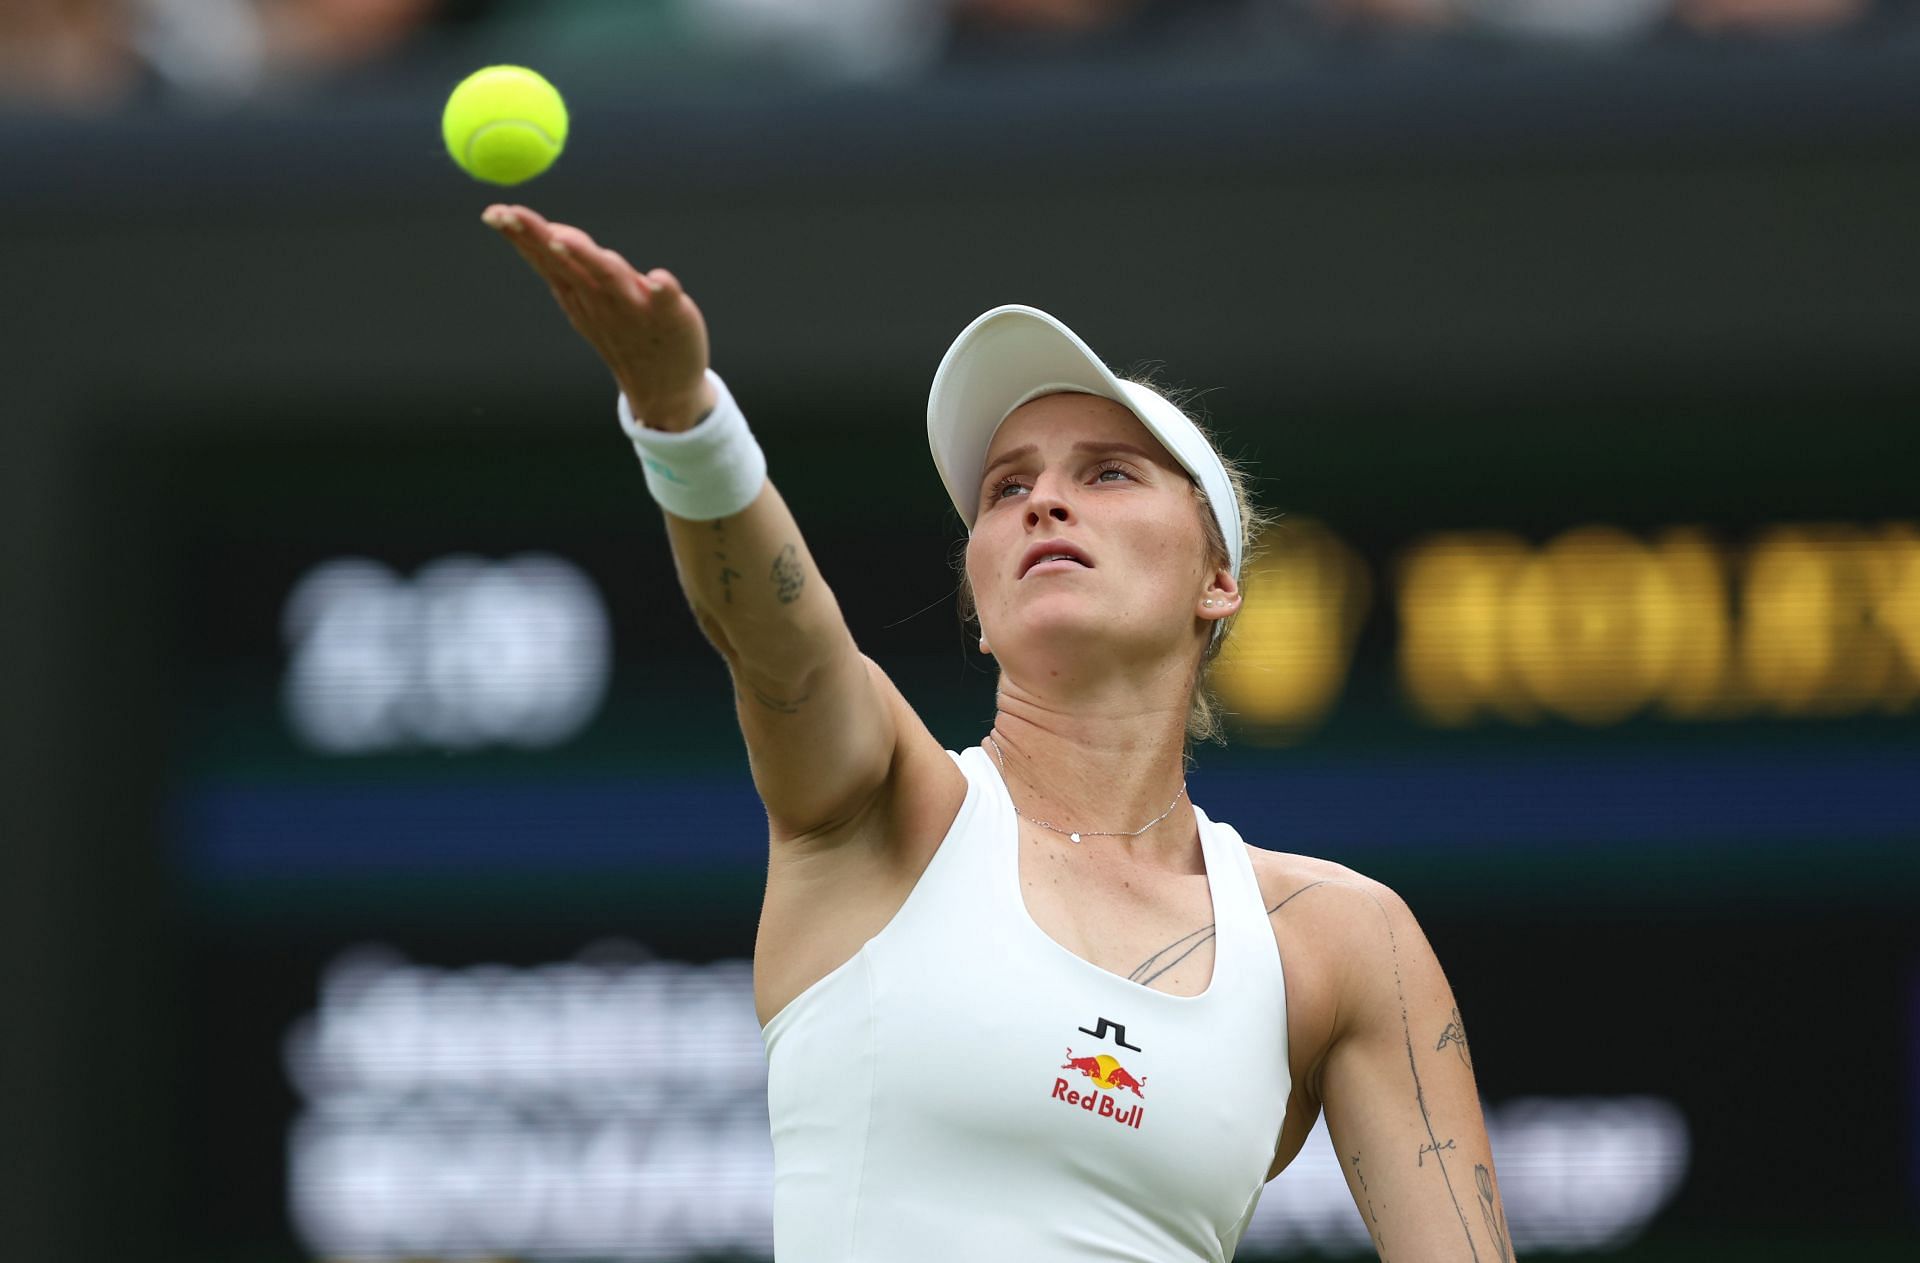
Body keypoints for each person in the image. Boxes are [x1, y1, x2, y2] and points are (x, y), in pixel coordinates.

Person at [481, 200, 1516, 1263]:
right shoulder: (888, 812)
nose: (1043, 503)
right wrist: (683, 417)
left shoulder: (1346, 943)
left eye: (1107, 472)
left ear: (1219, 582)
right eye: (1007, 486)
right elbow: (776, 638)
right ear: (978, 605)